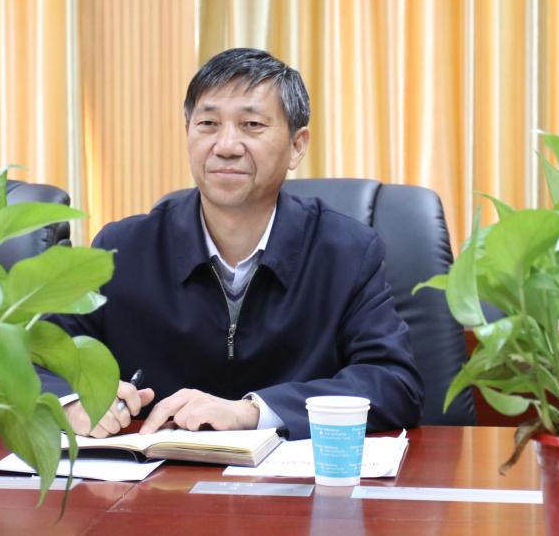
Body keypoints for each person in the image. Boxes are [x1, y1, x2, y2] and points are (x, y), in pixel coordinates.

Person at [54, 48, 423, 440]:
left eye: (251, 125)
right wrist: (70, 402)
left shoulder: (345, 252)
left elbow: (393, 383)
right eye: (208, 124)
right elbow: (34, 357)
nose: (226, 145)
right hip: (153, 474)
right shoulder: (122, 249)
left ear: (297, 145)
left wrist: (252, 412)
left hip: (293, 476)